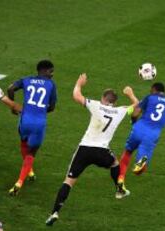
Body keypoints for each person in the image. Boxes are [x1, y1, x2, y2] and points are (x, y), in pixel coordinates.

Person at [45, 73, 138, 226]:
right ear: (114, 102)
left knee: (68, 182)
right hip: (102, 151)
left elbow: (76, 96)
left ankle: (55, 212)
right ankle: (119, 190)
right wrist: (130, 94)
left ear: (103, 99)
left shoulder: (95, 104)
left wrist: (79, 83)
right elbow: (137, 106)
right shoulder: (120, 111)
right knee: (115, 164)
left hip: (84, 149)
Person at [7, 60, 57, 196]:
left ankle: (30, 171)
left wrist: (13, 107)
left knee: (23, 143)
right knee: (31, 153)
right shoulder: (51, 84)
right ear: (45, 71)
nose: (52, 74)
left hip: (24, 120)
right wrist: (39, 110)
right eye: (51, 71)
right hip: (39, 123)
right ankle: (19, 182)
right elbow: (52, 107)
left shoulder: (26, 80)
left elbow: (10, 88)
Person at [117, 82, 165, 191]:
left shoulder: (150, 97)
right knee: (139, 171)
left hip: (139, 128)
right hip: (152, 134)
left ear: (153, 89)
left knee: (127, 151)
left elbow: (135, 113)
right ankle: (141, 163)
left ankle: (121, 179)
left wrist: (134, 123)